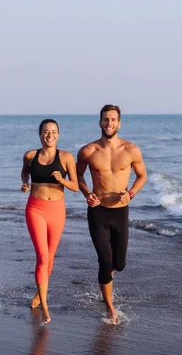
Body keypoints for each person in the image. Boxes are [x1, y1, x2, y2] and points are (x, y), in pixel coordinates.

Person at [76, 104, 147, 323]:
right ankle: (110, 307)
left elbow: (142, 176)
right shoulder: (88, 151)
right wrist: (87, 193)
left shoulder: (131, 150)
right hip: (97, 212)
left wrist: (131, 193)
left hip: (120, 212)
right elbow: (79, 177)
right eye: (106, 119)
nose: (109, 123)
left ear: (119, 123)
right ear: (100, 122)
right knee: (105, 262)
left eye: (113, 119)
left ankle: (107, 281)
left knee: (119, 264)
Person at [21, 118, 78, 324]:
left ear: (58, 135)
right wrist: (25, 183)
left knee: (50, 257)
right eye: (46, 132)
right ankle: (45, 307)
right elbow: (25, 171)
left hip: (57, 210)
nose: (50, 135)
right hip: (35, 209)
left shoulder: (66, 157)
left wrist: (62, 180)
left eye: (54, 132)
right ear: (40, 135)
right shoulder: (30, 155)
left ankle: (38, 294)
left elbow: (75, 186)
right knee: (42, 257)